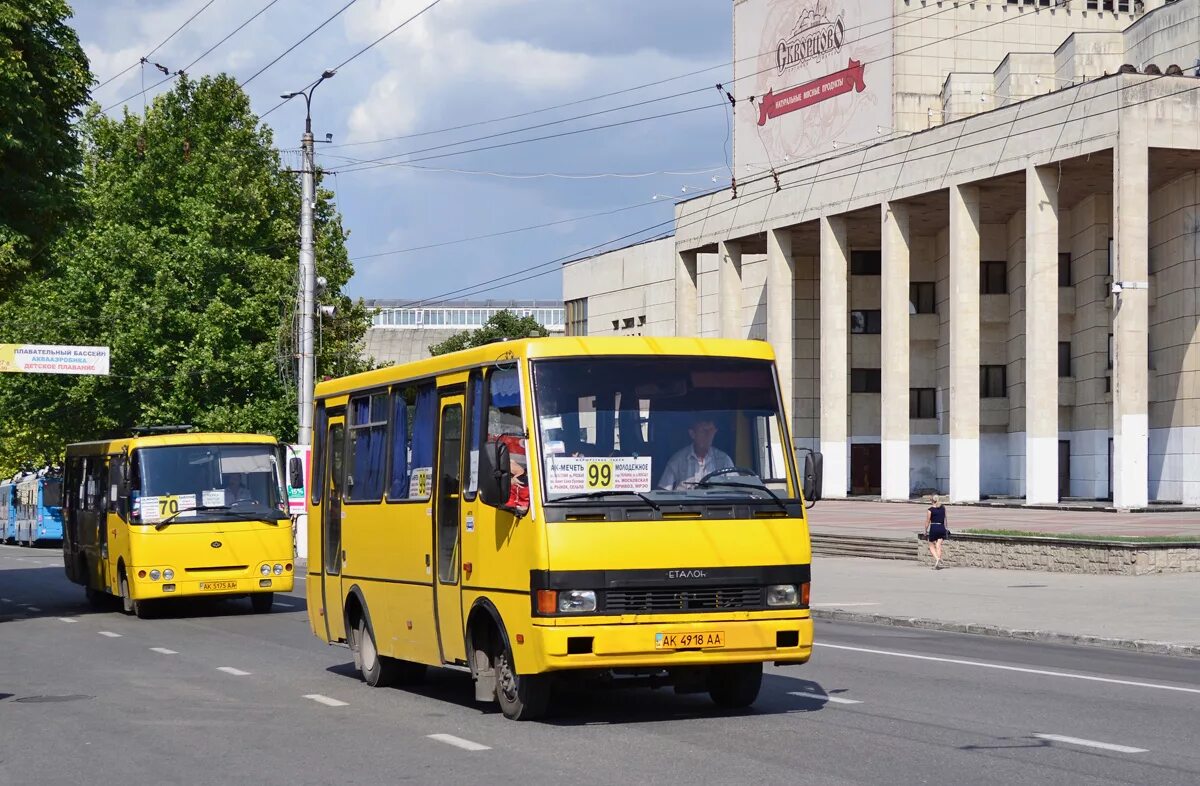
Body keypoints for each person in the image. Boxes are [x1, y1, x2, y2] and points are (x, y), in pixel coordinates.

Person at [658, 417, 734, 490]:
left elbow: (737, 488)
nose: (708, 435)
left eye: (711, 430)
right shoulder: (678, 460)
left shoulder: (724, 460)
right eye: (703, 431)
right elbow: (663, 490)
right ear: (692, 434)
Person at [924, 494, 949, 569]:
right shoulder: (943, 508)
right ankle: (938, 563)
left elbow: (927, 521)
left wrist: (925, 530)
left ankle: (937, 558)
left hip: (934, 527)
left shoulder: (930, 510)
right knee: (938, 545)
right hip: (941, 527)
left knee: (931, 545)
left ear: (932, 501)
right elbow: (945, 519)